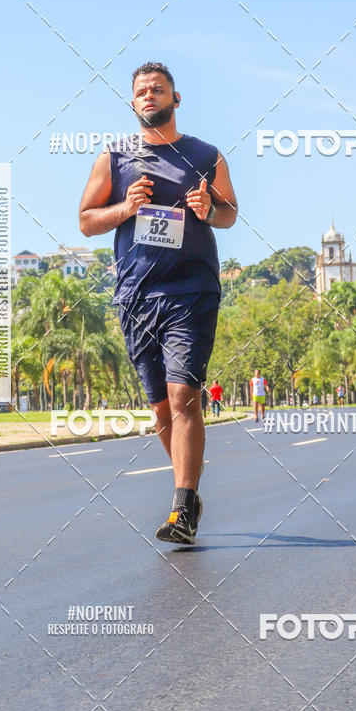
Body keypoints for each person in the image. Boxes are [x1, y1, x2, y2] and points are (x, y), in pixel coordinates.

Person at [79, 61, 238, 545]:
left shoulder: (205, 154)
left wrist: (209, 209)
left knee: (182, 396)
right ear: (132, 102)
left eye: (158, 89)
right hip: (136, 293)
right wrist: (126, 208)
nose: (150, 96)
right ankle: (186, 494)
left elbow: (230, 213)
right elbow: (86, 220)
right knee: (161, 410)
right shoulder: (115, 158)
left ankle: (182, 507)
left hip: (191, 288)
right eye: (142, 91)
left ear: (176, 98)